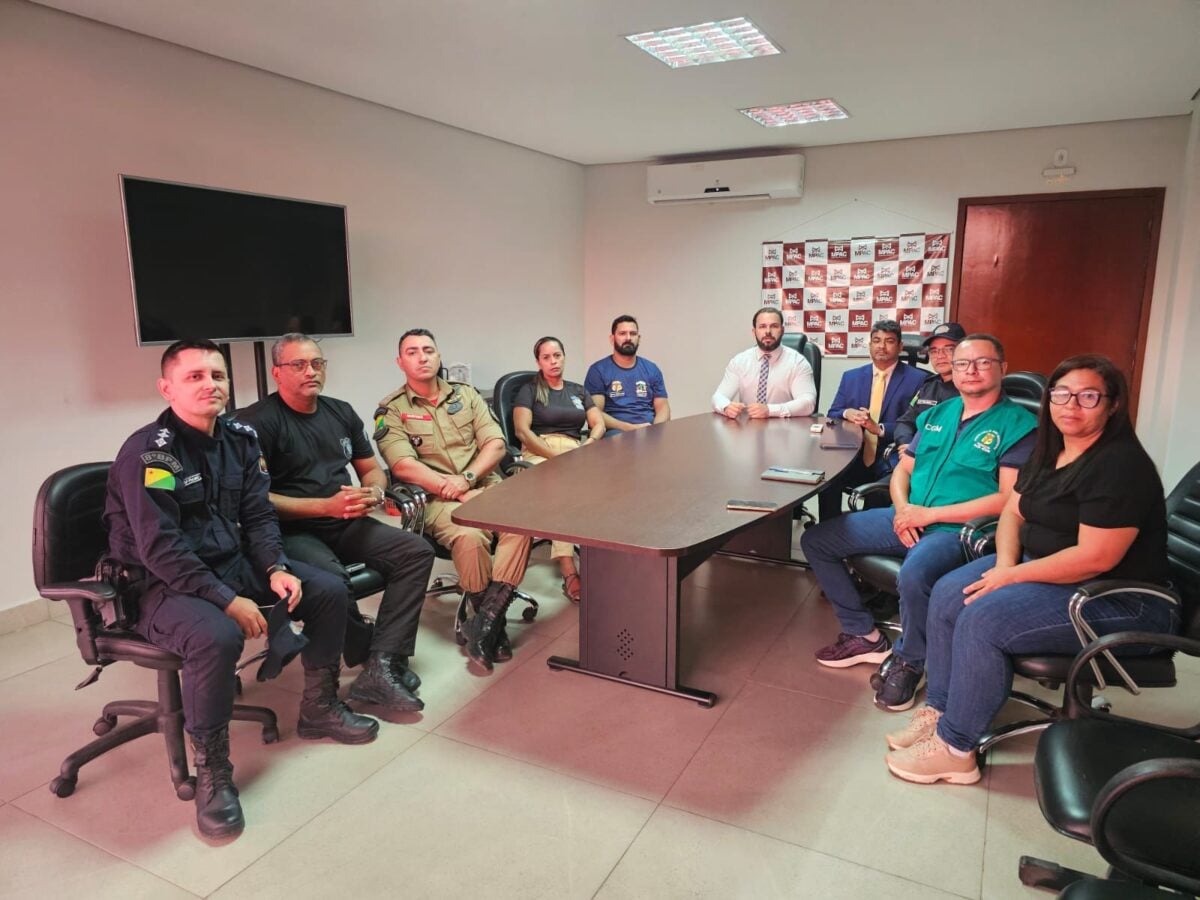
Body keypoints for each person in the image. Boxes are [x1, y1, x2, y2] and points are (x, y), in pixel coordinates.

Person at [104, 339, 377, 839]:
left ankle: (319, 708)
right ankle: (212, 770)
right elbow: (161, 549)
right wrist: (227, 600)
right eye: (195, 376)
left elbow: (257, 514)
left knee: (326, 588)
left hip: (227, 562)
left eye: (218, 375)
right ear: (167, 388)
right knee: (216, 636)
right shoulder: (153, 454)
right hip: (159, 584)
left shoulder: (240, 438)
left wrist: (274, 566)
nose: (210, 384)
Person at [885, 354, 1179, 785]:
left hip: (1120, 596)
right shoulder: (1052, 449)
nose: (1070, 406)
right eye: (1061, 394)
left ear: (1113, 405)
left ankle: (956, 747)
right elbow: (1013, 513)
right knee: (949, 592)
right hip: (1043, 568)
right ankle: (943, 707)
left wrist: (1011, 578)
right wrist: (1005, 564)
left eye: (1088, 396)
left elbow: (1096, 558)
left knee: (982, 618)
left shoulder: (1119, 464)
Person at [800, 335, 1037, 712]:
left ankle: (911, 660)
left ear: (1003, 369)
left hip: (959, 530)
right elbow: (903, 471)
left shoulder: (1020, 425)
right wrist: (903, 509)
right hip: (910, 515)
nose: (970, 371)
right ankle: (864, 634)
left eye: (982, 363)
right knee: (817, 540)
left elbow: (1008, 499)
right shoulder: (937, 414)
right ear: (953, 372)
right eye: (962, 364)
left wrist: (928, 516)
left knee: (914, 574)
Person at [237, 333, 435, 714]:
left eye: (317, 363)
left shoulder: (340, 411)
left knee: (416, 551)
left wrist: (374, 494)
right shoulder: (256, 423)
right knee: (333, 585)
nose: (311, 371)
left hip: (344, 519)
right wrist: (323, 506)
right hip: (293, 530)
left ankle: (381, 663)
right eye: (298, 364)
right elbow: (255, 500)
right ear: (277, 373)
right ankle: (362, 652)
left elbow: (370, 469)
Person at [376, 328, 532, 674]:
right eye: (412, 352)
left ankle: (486, 623)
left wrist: (468, 479)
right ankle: (493, 625)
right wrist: (460, 492)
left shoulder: (468, 396)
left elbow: (495, 444)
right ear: (400, 362)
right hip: (438, 501)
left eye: (428, 350)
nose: (422, 357)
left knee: (520, 523)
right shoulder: (392, 410)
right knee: (470, 536)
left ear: (439, 355)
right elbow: (403, 465)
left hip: (484, 485)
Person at [512, 336, 604, 601]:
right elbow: (522, 431)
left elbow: (597, 422)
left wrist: (591, 442)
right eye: (546, 357)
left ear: (564, 357)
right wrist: (555, 456)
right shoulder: (529, 390)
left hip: (576, 449)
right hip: (540, 451)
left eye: (557, 356)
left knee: (609, 486)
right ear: (538, 361)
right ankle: (569, 572)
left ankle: (604, 561)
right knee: (564, 491)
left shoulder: (577, 390)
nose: (553, 362)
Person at [819, 320, 927, 520]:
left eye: (889, 341)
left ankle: (865, 534)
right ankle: (827, 531)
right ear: (869, 345)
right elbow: (833, 411)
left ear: (900, 346)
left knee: (878, 493)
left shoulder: (919, 380)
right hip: (853, 454)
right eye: (876, 341)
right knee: (827, 478)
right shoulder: (851, 377)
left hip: (889, 457)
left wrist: (879, 428)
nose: (881, 346)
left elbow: (920, 426)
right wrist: (847, 413)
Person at [712, 307, 817, 419]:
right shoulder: (739, 361)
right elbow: (718, 396)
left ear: (782, 330)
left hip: (784, 429)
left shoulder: (798, 362)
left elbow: (808, 402)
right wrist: (726, 406)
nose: (768, 331)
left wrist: (770, 410)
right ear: (754, 332)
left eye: (774, 326)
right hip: (747, 430)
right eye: (762, 327)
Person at [886, 322, 967, 467]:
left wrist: (918, 450)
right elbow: (905, 422)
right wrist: (906, 444)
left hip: (948, 466)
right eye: (934, 351)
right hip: (913, 461)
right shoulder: (929, 385)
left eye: (948, 349)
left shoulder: (971, 390)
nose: (940, 356)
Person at [584, 314, 670, 434]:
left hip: (649, 430)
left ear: (639, 338)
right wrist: (628, 428)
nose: (628, 338)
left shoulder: (652, 369)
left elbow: (663, 408)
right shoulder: (598, 370)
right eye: (622, 333)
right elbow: (595, 413)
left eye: (633, 334)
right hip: (615, 432)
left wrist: (654, 429)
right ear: (612, 338)